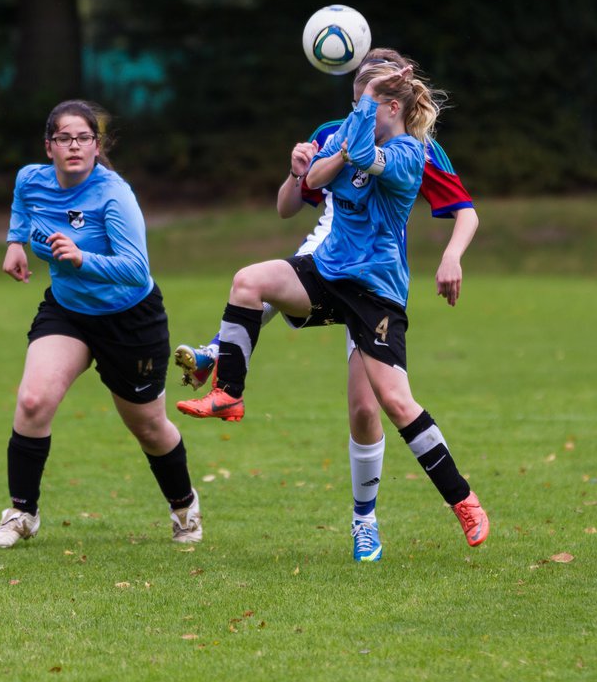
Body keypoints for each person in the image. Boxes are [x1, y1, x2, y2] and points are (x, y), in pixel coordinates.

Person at [173, 49, 480, 563]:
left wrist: (451, 256)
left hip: (376, 287)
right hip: (327, 263)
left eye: (370, 93)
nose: (360, 101)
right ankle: (226, 381)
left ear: (392, 100)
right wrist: (300, 171)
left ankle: (380, 518)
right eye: (357, 91)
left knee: (371, 408)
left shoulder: (414, 149)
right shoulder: (335, 129)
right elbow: (289, 203)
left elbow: (462, 209)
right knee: (252, 280)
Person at [0, 100, 202, 548]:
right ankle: (21, 513)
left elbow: (136, 269)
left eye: (83, 138)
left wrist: (83, 258)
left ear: (97, 146)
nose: (74, 146)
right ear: (49, 147)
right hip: (68, 312)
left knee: (147, 426)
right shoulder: (32, 179)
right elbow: (23, 202)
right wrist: (15, 242)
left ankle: (184, 507)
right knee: (32, 400)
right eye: (64, 138)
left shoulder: (113, 194)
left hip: (130, 319)